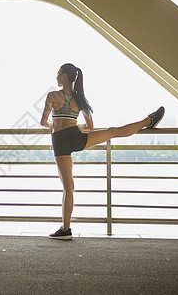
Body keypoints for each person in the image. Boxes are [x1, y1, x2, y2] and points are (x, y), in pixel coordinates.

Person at [40, 63, 164, 240]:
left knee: (68, 187)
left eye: (58, 73)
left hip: (59, 140)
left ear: (65, 76)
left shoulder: (52, 96)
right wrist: (74, 126)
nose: (56, 76)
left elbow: (44, 122)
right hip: (76, 137)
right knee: (113, 131)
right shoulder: (80, 99)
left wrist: (55, 125)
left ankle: (66, 229)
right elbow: (90, 126)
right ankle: (147, 121)